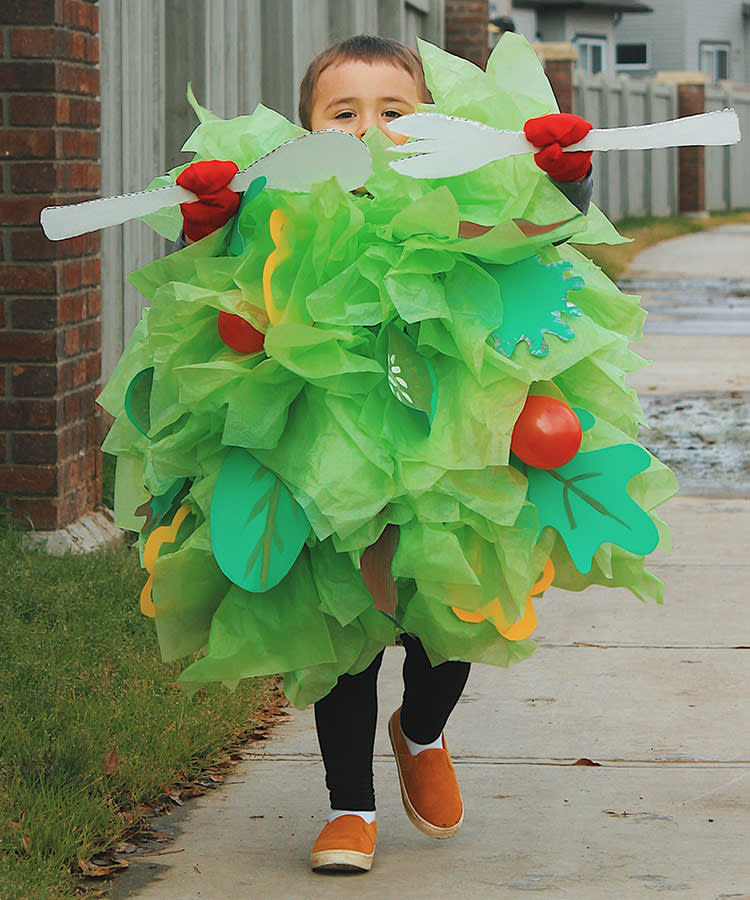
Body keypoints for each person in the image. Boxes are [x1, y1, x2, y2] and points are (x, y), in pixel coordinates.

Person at [170, 34, 597, 874]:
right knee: (346, 624)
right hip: (328, 445)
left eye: (393, 112)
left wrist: (565, 174)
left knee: (450, 611)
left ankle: (423, 729)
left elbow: (536, 232)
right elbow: (227, 284)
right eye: (343, 114)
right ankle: (349, 806)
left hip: (450, 436)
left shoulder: (464, 183)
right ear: (305, 133)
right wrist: (211, 226)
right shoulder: (282, 204)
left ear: (430, 120)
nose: (368, 129)